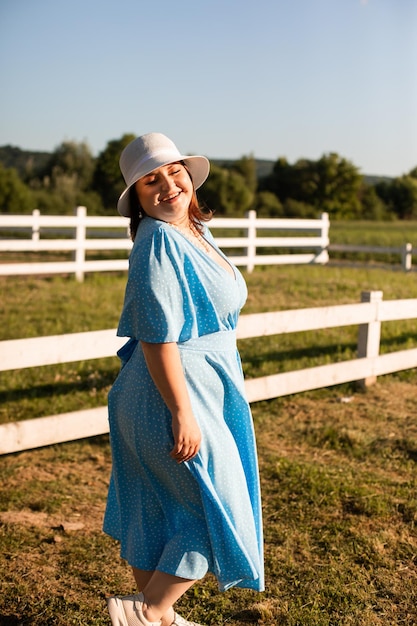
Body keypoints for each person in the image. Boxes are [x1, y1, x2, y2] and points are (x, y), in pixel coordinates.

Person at [103, 132, 264, 626]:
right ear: (138, 199)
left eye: (173, 172)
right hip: (170, 392)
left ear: (189, 176)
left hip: (185, 388)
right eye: (150, 181)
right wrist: (182, 412)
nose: (167, 185)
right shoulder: (157, 243)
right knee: (213, 508)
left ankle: (155, 618)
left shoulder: (194, 229)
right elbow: (157, 337)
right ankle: (151, 611)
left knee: (154, 508)